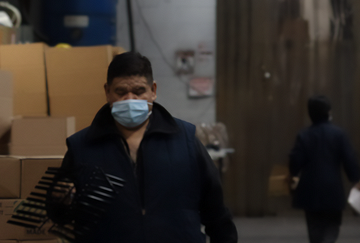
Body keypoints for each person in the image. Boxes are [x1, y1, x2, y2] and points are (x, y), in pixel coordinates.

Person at [57, 51, 238, 243]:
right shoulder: (82, 147)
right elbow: (60, 216)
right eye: (120, 92)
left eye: (139, 91)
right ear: (107, 92)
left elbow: (217, 214)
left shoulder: (185, 141)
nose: (130, 99)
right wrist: (63, 200)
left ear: (153, 90)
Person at [288, 95, 360, 243]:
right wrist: (356, 179)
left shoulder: (304, 135)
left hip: (309, 189)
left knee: (314, 226)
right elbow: (349, 159)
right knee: (332, 224)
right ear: (328, 112)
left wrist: (292, 174)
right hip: (332, 188)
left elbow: (295, 161)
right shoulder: (339, 134)